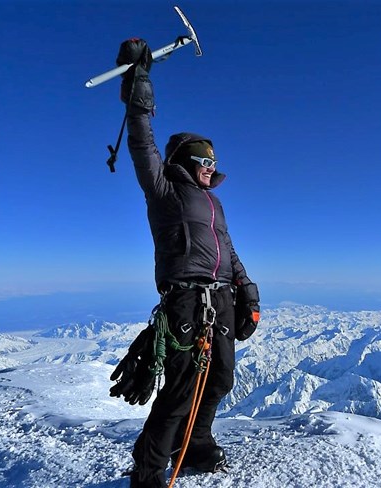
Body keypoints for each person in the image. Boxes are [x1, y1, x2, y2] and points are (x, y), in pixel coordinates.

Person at [109, 39, 260, 488]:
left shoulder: (214, 204)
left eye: (215, 163)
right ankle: (149, 470)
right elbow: (142, 144)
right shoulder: (164, 190)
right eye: (207, 162)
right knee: (179, 392)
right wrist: (140, 86)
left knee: (220, 380)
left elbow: (227, 249)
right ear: (189, 162)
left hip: (222, 299)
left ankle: (194, 446)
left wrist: (246, 287)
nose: (213, 169)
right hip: (185, 302)